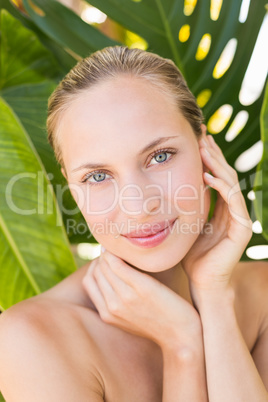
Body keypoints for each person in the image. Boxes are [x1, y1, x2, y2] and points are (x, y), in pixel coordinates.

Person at [0, 45, 267, 401]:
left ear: (206, 150)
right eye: (97, 176)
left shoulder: (263, 292)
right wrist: (182, 345)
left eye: (160, 156)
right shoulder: (30, 339)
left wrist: (214, 301)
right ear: (72, 187)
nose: (139, 206)